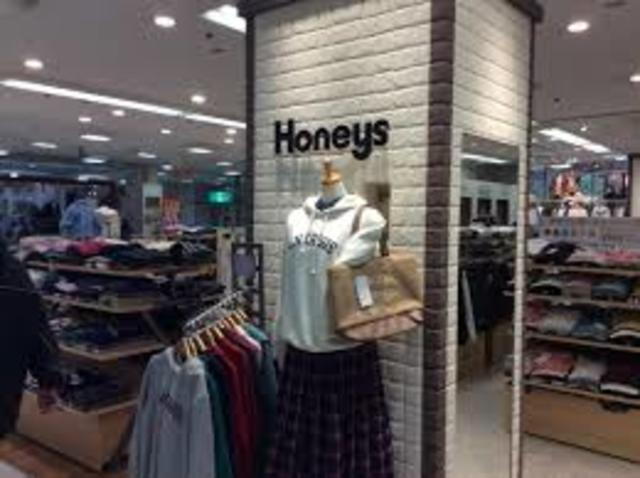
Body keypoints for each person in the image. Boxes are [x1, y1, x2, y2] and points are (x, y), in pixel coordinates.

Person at [0, 239, 59, 439]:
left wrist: (47, 379)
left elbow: (35, 329)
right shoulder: (13, 272)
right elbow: (37, 330)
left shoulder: (13, 272)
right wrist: (47, 379)